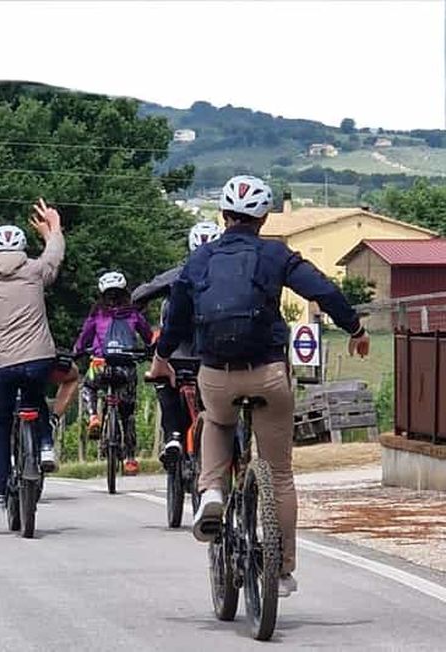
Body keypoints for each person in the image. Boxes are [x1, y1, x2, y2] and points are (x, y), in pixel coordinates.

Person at [148, 175, 370, 598]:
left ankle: (212, 490)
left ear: (223, 216)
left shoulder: (200, 260)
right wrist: (356, 328)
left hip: (216, 373)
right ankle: (282, 571)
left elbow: (174, 320)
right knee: (281, 474)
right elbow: (323, 289)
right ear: (264, 218)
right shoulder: (275, 254)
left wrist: (161, 361)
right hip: (268, 371)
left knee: (216, 421)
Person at [0, 198, 65, 511]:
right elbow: (54, 257)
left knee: (3, 423)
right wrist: (54, 229)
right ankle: (46, 447)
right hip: (39, 357)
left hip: (5, 362)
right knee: (36, 402)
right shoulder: (34, 271)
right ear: (21, 249)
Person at [132, 221, 223, 468]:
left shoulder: (177, 274)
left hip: (176, 353)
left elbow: (140, 294)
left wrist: (139, 307)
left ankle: (173, 437)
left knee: (163, 379)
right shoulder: (230, 275)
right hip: (215, 353)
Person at [73, 271, 152, 475]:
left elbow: (84, 339)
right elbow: (149, 337)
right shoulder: (134, 314)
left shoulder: (97, 314)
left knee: (89, 387)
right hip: (126, 368)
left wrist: (77, 352)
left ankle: (93, 416)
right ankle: (130, 458)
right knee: (128, 415)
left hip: (101, 364)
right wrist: (150, 351)